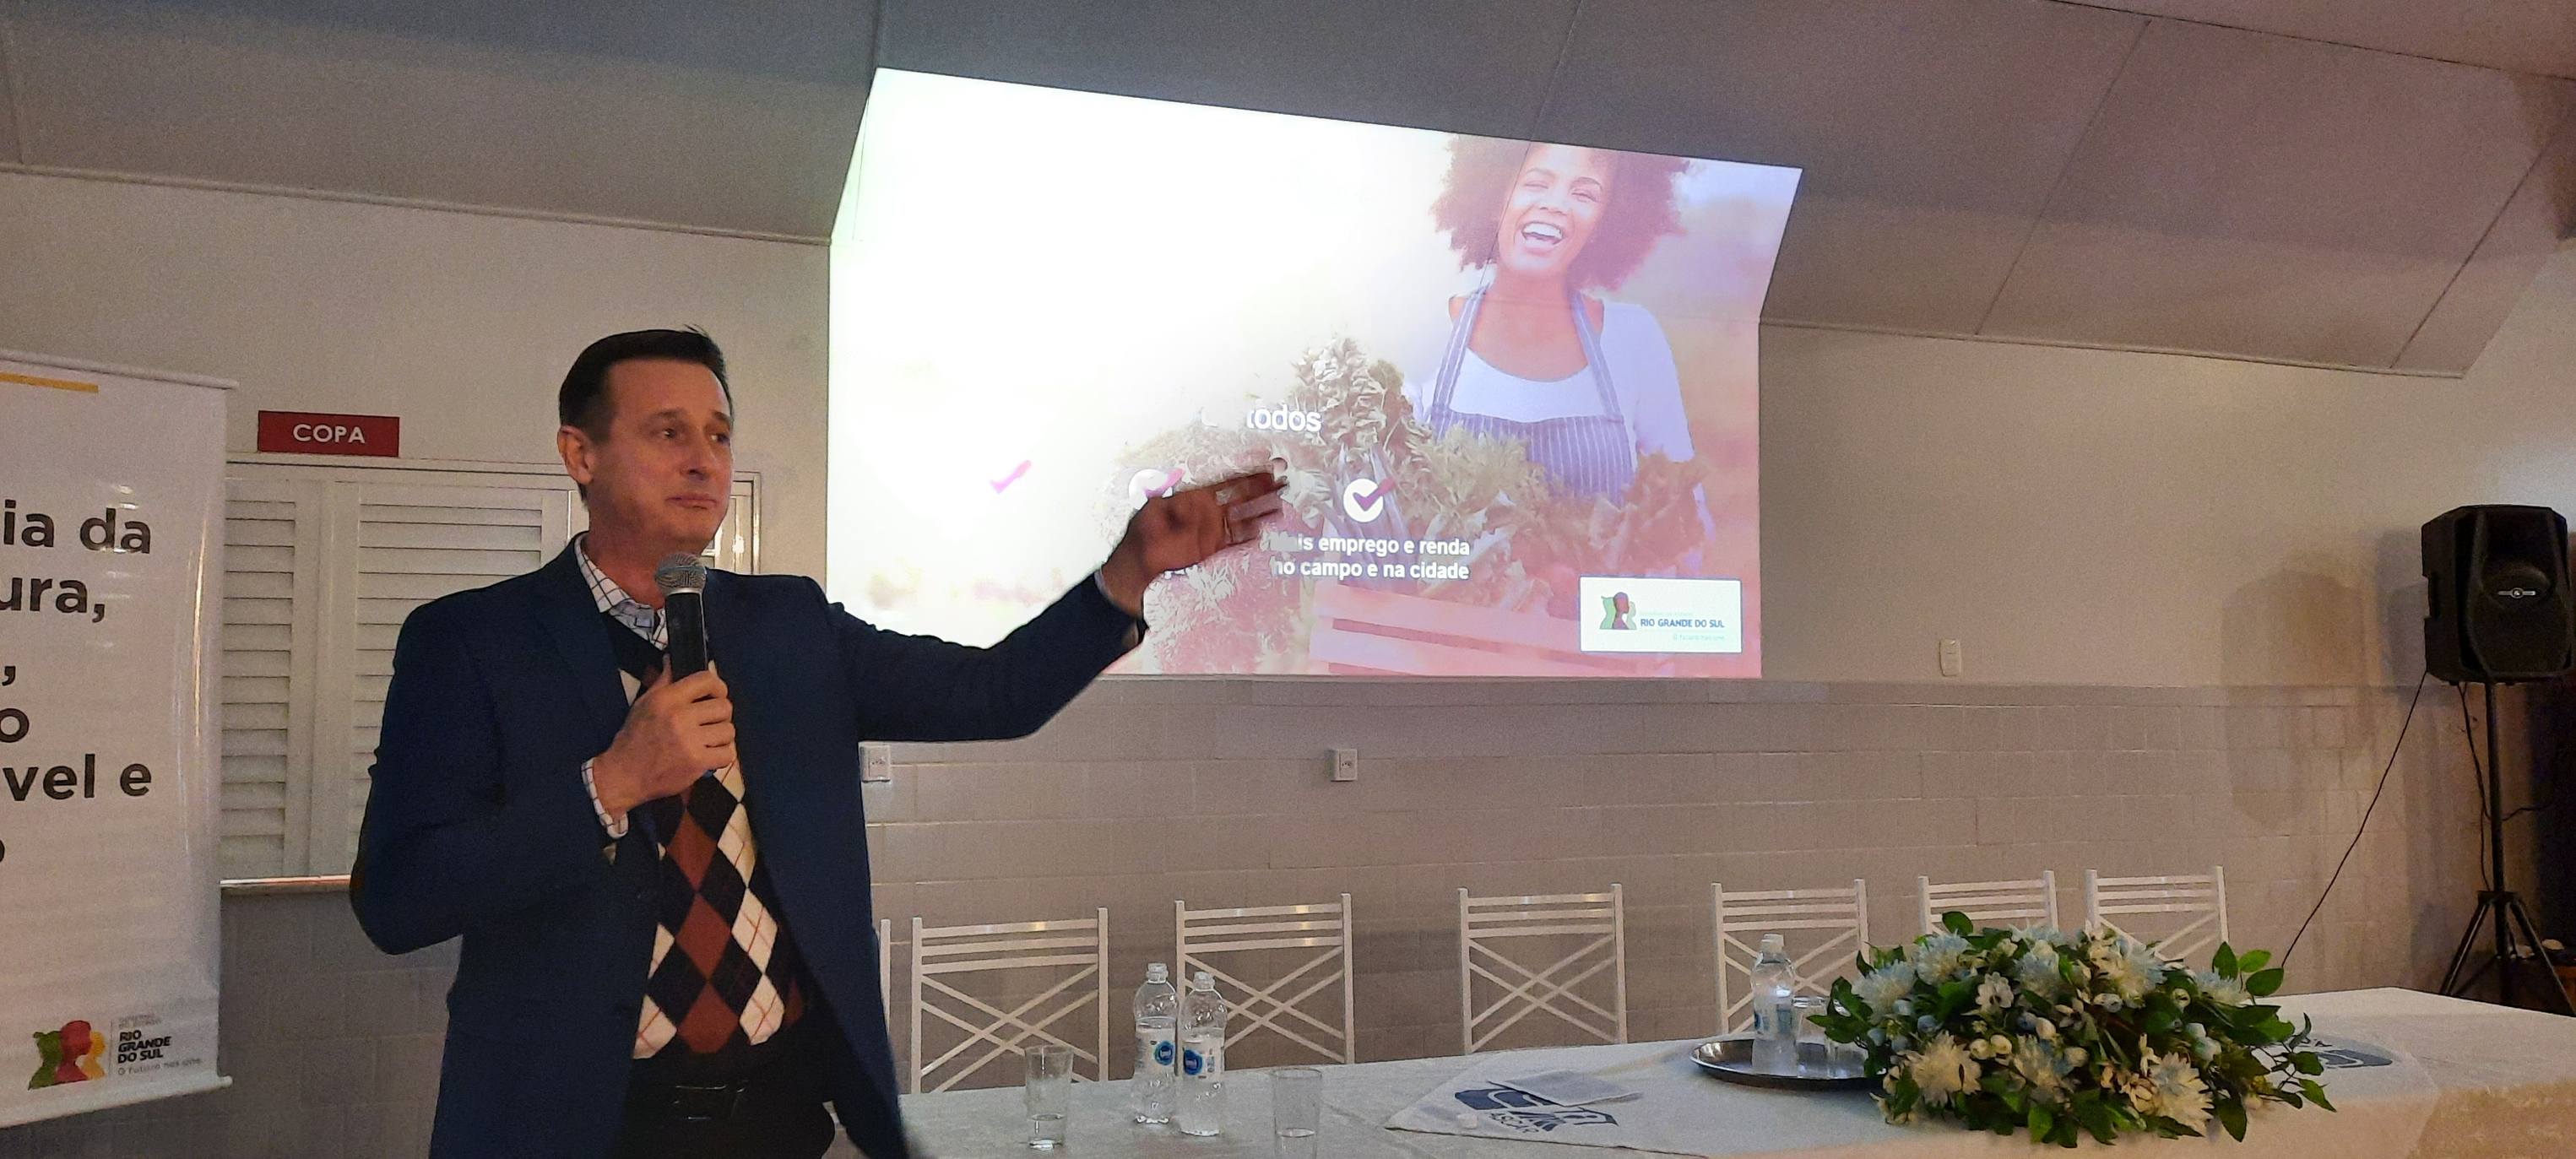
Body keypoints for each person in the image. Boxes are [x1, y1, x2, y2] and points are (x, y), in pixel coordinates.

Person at [349, 328, 1280, 1159]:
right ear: (580, 453)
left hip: (778, 1115)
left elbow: (993, 693)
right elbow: (398, 897)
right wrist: (608, 785)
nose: (703, 459)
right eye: (668, 432)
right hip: (570, 1124)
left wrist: (1127, 571)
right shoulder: (470, 641)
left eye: (719, 435)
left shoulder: (787, 625)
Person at [1412, 137, 1696, 501]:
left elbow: (1686, 508)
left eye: (1584, 194)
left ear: (1604, 223)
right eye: (1536, 184)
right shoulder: (1426, 334)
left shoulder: (1633, 338)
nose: (1556, 205)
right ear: (1494, 200)